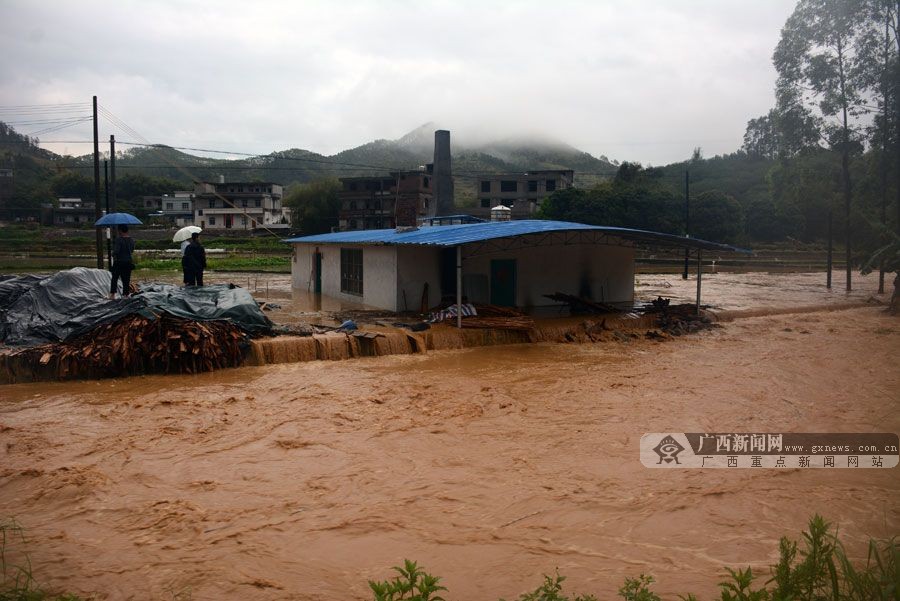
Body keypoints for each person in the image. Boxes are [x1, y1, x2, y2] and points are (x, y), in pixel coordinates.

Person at [109, 224, 135, 299]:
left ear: (120, 230)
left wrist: (112, 254)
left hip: (119, 262)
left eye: (118, 230)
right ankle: (125, 295)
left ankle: (112, 295)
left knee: (114, 278)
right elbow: (132, 250)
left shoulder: (119, 239)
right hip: (128, 262)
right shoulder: (131, 240)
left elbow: (116, 251)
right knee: (126, 279)